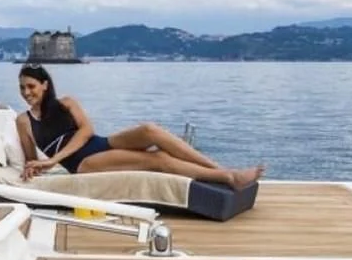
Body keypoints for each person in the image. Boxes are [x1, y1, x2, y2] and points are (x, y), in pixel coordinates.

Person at [15, 63, 265, 189]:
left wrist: (53, 158)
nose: (26, 93)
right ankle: (228, 177)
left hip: (96, 144)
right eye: (22, 87)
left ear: (45, 85)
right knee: (156, 160)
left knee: (149, 130)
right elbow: (31, 159)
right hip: (82, 163)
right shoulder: (23, 121)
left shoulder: (66, 103)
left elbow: (86, 131)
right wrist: (35, 166)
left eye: (31, 86)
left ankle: (217, 168)